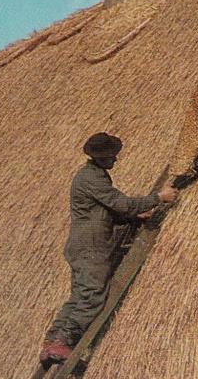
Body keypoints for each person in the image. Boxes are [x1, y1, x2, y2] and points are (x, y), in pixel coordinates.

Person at [40, 132, 178, 364]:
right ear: (100, 157)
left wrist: (132, 216)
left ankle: (52, 342)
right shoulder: (91, 178)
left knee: (78, 296)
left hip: (83, 243)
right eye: (111, 156)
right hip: (91, 246)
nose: (115, 159)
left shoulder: (93, 176)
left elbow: (105, 213)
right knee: (93, 295)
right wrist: (158, 198)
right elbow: (120, 204)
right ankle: (63, 342)